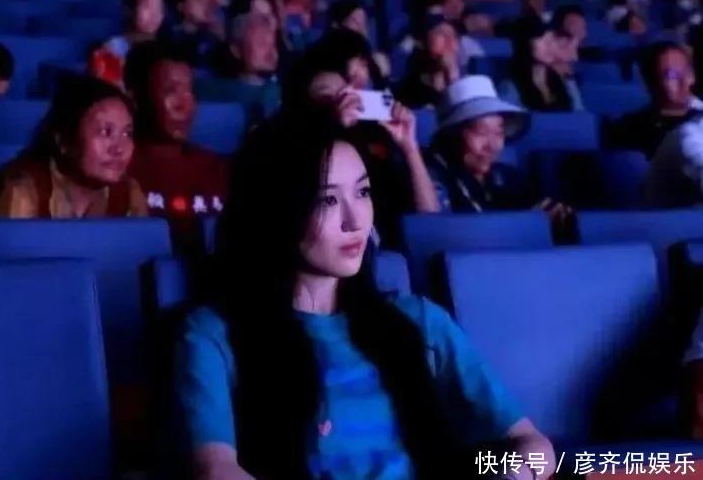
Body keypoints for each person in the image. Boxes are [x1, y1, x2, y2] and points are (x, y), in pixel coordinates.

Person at [175, 114, 555, 479]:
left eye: (362, 192)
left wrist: (514, 473)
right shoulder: (213, 334)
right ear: (275, 210)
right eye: (327, 200)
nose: (355, 220)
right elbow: (215, 468)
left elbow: (532, 445)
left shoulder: (419, 321)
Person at [284, 29, 440, 247]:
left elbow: (430, 224)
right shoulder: (291, 146)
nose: (342, 104)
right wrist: (335, 127)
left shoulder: (379, 139)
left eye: (350, 92)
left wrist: (410, 150)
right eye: (328, 98)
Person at [0, 76, 147, 218]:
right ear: (63, 141)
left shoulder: (129, 194)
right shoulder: (23, 192)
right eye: (105, 132)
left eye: (127, 133)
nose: (119, 149)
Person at [426, 75, 572, 226]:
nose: (493, 146)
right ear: (452, 135)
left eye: (498, 132)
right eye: (481, 132)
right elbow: (432, 225)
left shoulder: (507, 177)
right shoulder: (436, 175)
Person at [124, 42, 227, 252]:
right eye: (171, 90)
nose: (184, 105)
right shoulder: (118, 167)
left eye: (190, 91)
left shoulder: (217, 169)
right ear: (136, 97)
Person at [612, 42, 701, 158]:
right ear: (652, 81)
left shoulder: (699, 115)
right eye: (672, 76)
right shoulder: (632, 129)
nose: (684, 82)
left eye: (687, 72)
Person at [195, 12, 281, 126]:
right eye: (261, 44)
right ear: (236, 50)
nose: (270, 52)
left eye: (273, 44)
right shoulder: (216, 92)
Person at [91, 0, 165, 85]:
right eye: (147, 7)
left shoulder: (169, 51)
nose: (154, 14)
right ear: (129, 10)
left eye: (159, 8)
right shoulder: (111, 50)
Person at [503, 19, 573, 112]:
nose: (550, 47)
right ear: (526, 43)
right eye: (543, 40)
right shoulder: (511, 86)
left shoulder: (559, 80)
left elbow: (578, 115)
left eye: (552, 40)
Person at [395, 14, 462, 110]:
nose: (449, 40)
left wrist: (452, 75)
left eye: (454, 35)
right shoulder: (409, 74)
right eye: (441, 33)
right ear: (425, 39)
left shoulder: (465, 79)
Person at [169, 0, 221, 68]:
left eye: (207, 0)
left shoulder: (215, 38)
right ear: (181, 6)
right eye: (199, 0)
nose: (206, 5)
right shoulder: (171, 38)